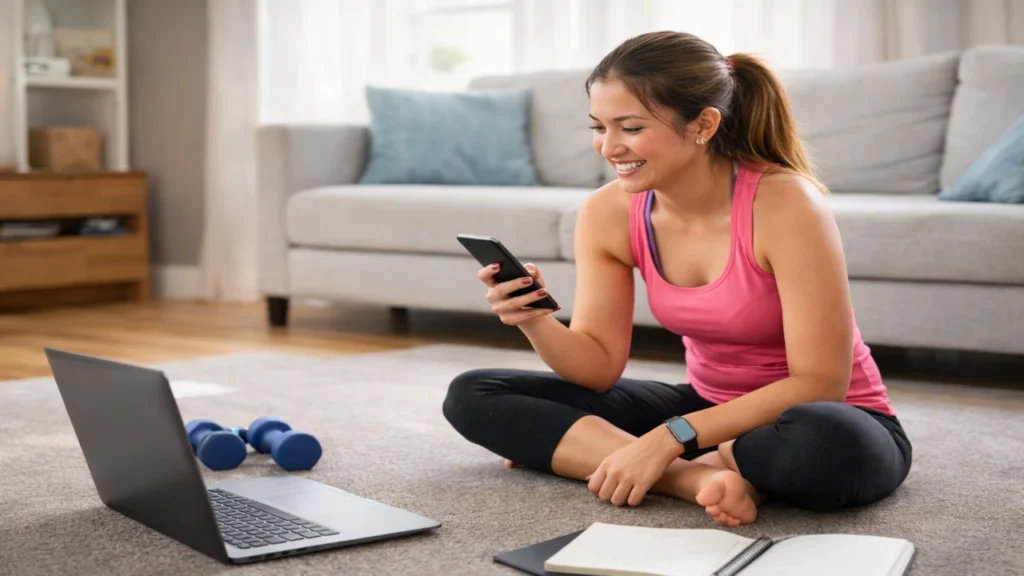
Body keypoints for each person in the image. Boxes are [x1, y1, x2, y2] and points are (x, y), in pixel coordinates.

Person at [442, 31, 912, 527]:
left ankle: (634, 457)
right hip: (707, 409)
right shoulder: (608, 211)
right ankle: (695, 479)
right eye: (599, 126)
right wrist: (534, 320)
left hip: (824, 414)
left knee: (824, 442)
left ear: (704, 124)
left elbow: (820, 384)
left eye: (631, 127)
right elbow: (598, 368)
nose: (609, 147)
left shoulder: (785, 203)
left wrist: (668, 438)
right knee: (476, 394)